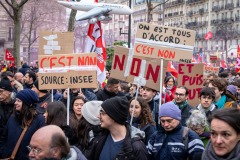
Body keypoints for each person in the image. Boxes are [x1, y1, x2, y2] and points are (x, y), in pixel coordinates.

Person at [0, 89, 45, 159]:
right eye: (16, 100)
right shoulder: (13, 117)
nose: (15, 103)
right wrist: (3, 152)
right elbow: (4, 137)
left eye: (19, 101)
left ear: (27, 103)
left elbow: (40, 145)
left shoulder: (39, 120)